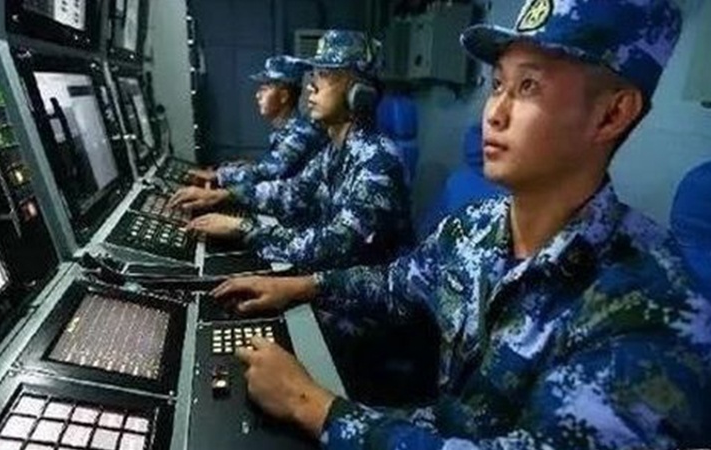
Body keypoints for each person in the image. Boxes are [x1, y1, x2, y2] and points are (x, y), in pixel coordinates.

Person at [209, 1, 711, 448]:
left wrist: (310, 405)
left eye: (528, 86)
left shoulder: (656, 310)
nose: (494, 112)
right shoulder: (475, 226)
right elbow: (395, 283)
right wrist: (300, 286)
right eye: (498, 85)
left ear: (611, 114)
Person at [174, 30, 413, 271]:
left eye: (325, 75)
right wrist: (225, 196)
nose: (311, 86)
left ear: (359, 95)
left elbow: (333, 245)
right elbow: (293, 192)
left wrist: (243, 228)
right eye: (315, 74)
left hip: (356, 290)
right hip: (328, 278)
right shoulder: (335, 152)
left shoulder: (378, 162)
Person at [171, 55, 326, 204]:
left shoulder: (300, 134)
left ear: (283, 96)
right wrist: (228, 172)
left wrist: (219, 178)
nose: (258, 95)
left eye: (265, 89)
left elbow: (267, 172)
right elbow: (270, 169)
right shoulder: (289, 130)